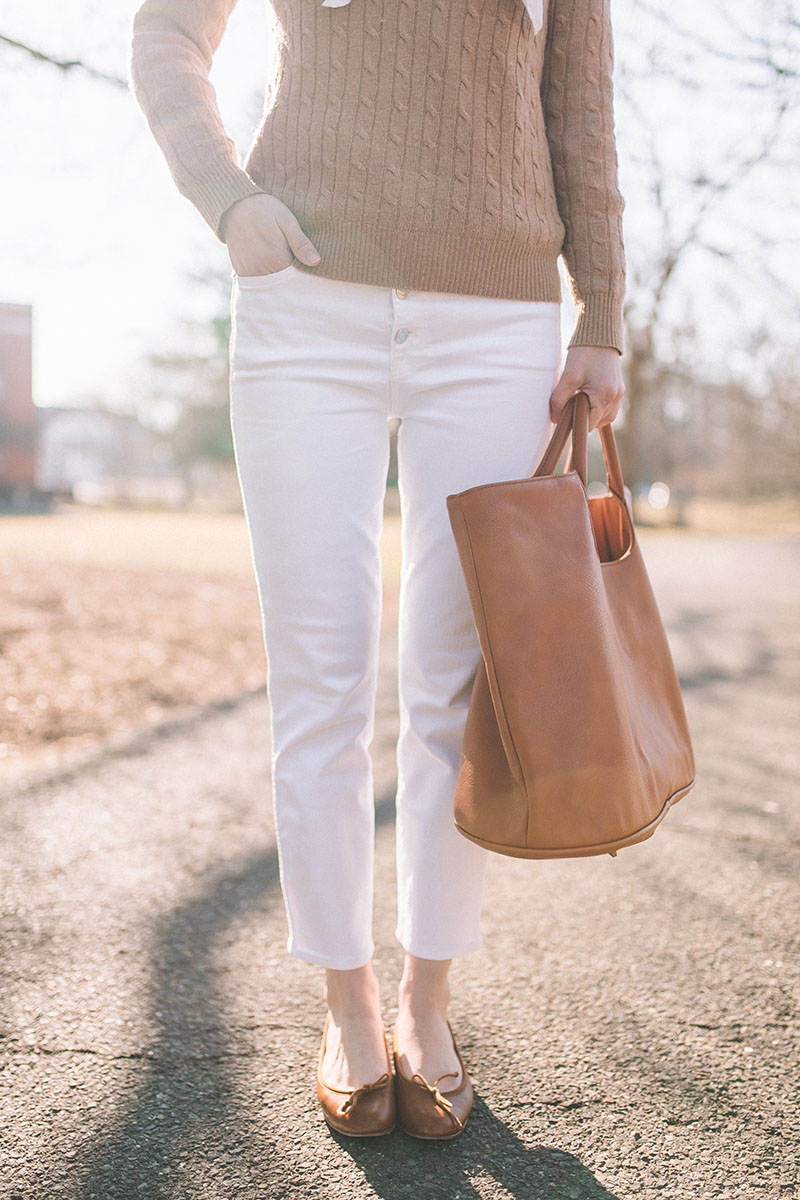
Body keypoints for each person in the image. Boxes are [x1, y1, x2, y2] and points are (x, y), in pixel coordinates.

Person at [129, 0, 626, 1140]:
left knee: (454, 685)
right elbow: (166, 34)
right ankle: (346, 1005)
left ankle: (426, 1003)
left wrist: (601, 315)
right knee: (321, 678)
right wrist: (226, 197)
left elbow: (580, 115)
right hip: (305, 306)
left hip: (496, 327)